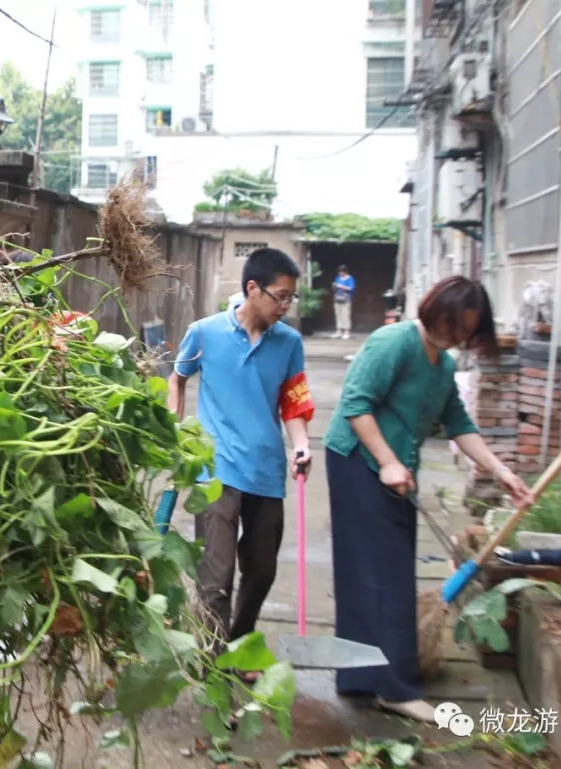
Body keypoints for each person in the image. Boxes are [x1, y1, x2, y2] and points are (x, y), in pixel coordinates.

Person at [322, 275, 534, 723]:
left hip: (395, 470)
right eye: (453, 323)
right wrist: (387, 461)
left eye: (467, 330)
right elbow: (355, 405)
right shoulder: (394, 341)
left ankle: (361, 678)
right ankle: (394, 688)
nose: (458, 335)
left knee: (381, 572)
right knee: (382, 575)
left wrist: (501, 471)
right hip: (357, 461)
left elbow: (459, 424)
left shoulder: (441, 367)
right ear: (435, 309)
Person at [167, 247, 315, 681]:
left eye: (291, 298)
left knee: (262, 570)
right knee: (216, 578)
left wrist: (301, 445)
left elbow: (293, 401)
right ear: (253, 289)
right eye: (280, 296)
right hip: (216, 469)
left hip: (266, 470)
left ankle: (237, 641)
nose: (285, 306)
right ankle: (215, 667)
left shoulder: (289, 342)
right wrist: (176, 432)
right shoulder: (205, 333)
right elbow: (177, 378)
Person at [332, 265, 355, 340]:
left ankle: (346, 331)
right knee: (338, 314)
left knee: (345, 314)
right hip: (337, 298)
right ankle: (338, 331)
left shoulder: (350, 278)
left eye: (342, 272)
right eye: (339, 272)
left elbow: (351, 288)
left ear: (345, 272)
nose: (340, 273)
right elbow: (335, 287)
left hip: (346, 299)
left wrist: (341, 286)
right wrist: (335, 286)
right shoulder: (338, 278)